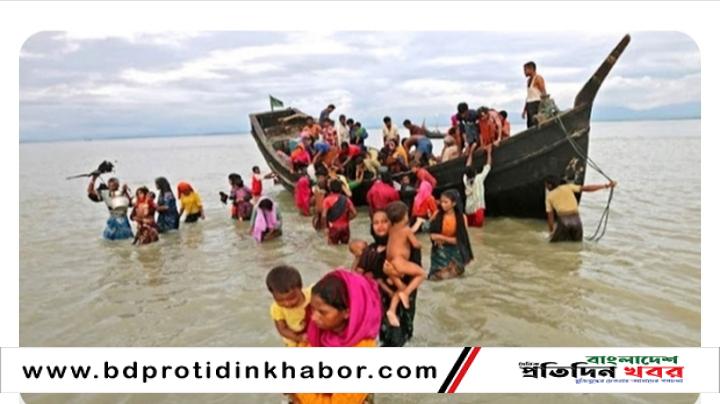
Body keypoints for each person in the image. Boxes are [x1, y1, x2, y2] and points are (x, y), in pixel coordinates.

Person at [291, 269, 380, 404]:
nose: (313, 317)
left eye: (322, 312)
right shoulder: (320, 330)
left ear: (347, 312)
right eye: (313, 309)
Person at [356, 209, 420, 347]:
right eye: (376, 223)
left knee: (401, 341)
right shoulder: (370, 250)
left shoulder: (406, 247)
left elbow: (414, 279)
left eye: (385, 221)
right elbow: (356, 277)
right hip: (378, 305)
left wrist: (393, 275)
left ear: (393, 224)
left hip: (401, 302)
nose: (380, 226)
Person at [384, 201, 425, 328]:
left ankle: (391, 311)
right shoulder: (406, 230)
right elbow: (415, 244)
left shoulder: (391, 229)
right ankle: (406, 293)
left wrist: (418, 223)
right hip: (399, 262)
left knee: (400, 289)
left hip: (389, 262)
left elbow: (407, 233)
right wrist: (421, 245)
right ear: (404, 217)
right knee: (422, 274)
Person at [544, 175, 617, 242]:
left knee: (554, 243)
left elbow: (550, 216)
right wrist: (606, 186)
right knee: (577, 243)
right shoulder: (568, 187)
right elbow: (587, 188)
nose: (546, 187)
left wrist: (551, 231)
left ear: (550, 185)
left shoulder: (549, 197)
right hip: (577, 221)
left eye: (546, 185)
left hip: (564, 221)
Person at [428, 189, 473, 281]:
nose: (442, 204)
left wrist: (440, 237)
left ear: (454, 203)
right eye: (441, 202)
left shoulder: (462, 218)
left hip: (455, 253)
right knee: (435, 278)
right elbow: (431, 232)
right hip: (439, 253)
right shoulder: (437, 214)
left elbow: (460, 240)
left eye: (446, 202)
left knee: (455, 279)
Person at [266, 265, 312, 347]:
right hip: (294, 339)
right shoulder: (277, 308)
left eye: (292, 298)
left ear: (300, 287)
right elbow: (282, 329)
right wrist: (298, 338)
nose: (287, 303)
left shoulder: (312, 294)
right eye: (280, 300)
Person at [87, 175, 134, 240]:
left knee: (126, 238)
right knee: (110, 238)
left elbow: (130, 204)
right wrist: (93, 179)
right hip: (113, 219)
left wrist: (125, 192)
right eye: (111, 186)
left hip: (123, 219)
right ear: (108, 186)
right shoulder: (105, 193)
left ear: (118, 185)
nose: (112, 187)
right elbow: (90, 192)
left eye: (114, 185)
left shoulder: (123, 192)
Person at [464, 146, 492, 227]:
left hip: (468, 209)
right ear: (476, 172)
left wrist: (471, 153)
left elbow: (467, 166)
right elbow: (488, 166)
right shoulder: (479, 179)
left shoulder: (465, 180)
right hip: (478, 209)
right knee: (478, 230)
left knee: (471, 229)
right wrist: (489, 152)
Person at [322, 179, 357, 245]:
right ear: (341, 189)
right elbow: (355, 213)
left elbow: (324, 216)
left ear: (330, 189)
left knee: (332, 248)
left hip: (333, 228)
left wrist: (325, 228)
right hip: (345, 228)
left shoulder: (327, 200)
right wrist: (347, 220)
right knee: (345, 246)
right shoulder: (346, 199)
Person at [522, 61, 547, 128]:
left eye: (525, 70)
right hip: (529, 104)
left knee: (536, 123)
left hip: (537, 104)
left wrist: (544, 105)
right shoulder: (528, 81)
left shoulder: (538, 78)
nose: (524, 72)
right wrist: (524, 110)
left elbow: (543, 92)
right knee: (530, 125)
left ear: (531, 69)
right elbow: (529, 96)